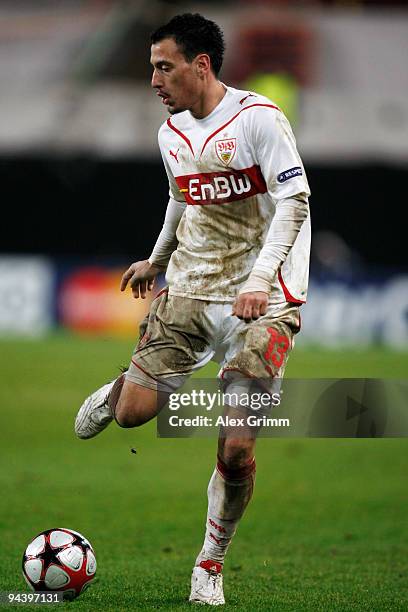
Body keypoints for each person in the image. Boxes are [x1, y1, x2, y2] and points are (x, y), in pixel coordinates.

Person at [74, 13, 311, 606]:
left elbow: (295, 200)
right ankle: (122, 388)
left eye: (164, 67)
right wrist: (156, 260)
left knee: (236, 447)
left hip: (266, 300)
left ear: (200, 65)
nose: (154, 79)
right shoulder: (170, 134)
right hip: (189, 285)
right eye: (152, 67)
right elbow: (182, 199)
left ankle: (209, 563)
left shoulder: (259, 120)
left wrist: (260, 280)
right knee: (132, 416)